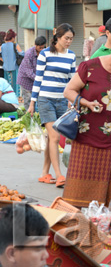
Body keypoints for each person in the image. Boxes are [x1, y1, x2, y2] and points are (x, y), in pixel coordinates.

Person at [62, 29, 111, 208]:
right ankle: (75, 224)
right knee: (77, 191)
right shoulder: (90, 67)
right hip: (86, 136)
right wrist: (85, 103)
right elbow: (68, 91)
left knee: (105, 194)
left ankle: (99, 225)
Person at [28, 23, 76, 188]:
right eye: (66, 38)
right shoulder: (45, 54)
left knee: (50, 138)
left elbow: (72, 81)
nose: (69, 41)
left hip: (62, 101)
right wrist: (33, 102)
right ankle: (59, 174)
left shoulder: (71, 56)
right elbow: (38, 79)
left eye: (71, 39)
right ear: (57, 37)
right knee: (55, 137)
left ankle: (44, 173)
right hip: (45, 99)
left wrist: (73, 101)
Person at [17, 36, 47, 106]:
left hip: (36, 79)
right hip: (26, 80)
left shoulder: (44, 52)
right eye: (40, 48)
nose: (42, 49)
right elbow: (29, 72)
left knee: (39, 101)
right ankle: (29, 116)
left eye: (43, 47)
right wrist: (40, 80)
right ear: (35, 45)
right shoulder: (29, 53)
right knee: (28, 100)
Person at [0, 29, 24, 97]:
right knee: (16, 84)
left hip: (6, 68)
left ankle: (8, 97)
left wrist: (3, 60)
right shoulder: (15, 45)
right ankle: (16, 97)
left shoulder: (2, 46)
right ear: (13, 38)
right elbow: (22, 53)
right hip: (14, 67)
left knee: (8, 84)